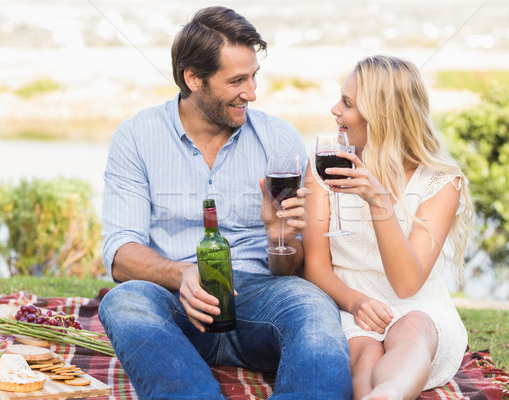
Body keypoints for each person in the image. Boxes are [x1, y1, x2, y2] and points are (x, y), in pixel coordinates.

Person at [98, 6, 352, 400]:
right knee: (124, 302)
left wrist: (277, 236)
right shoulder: (136, 137)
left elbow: (291, 265)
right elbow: (120, 254)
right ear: (193, 78)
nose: (251, 92)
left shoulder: (279, 138)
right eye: (237, 81)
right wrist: (180, 275)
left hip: (261, 298)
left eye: (253, 77)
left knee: (314, 306)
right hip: (177, 302)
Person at [302, 55, 474, 400]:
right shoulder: (324, 167)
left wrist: (379, 202)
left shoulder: (440, 182)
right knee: (366, 353)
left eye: (347, 103)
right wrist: (355, 302)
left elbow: (407, 284)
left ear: (381, 115)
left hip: (417, 304)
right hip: (347, 299)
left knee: (415, 331)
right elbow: (315, 266)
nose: (335, 109)